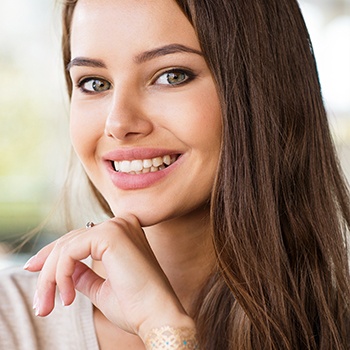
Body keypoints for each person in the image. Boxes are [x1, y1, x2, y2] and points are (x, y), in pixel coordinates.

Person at [1, 0, 349, 349]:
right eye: (94, 83)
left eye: (172, 76)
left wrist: (163, 327)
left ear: (264, 91)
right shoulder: (11, 321)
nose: (119, 123)